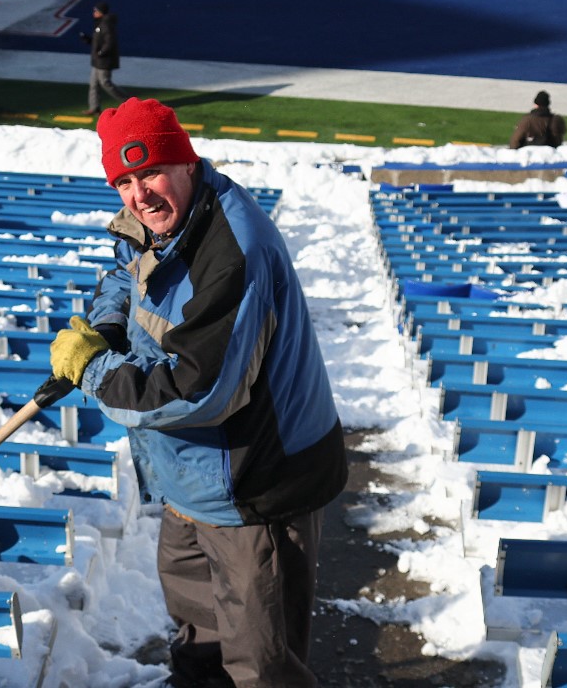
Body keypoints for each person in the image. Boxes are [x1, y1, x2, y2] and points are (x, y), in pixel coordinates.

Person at [48, 98, 346, 688]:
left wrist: (95, 371)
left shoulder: (233, 251)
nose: (139, 195)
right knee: (198, 644)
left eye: (151, 172)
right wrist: (107, 328)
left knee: (261, 666)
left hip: (254, 488)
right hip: (192, 476)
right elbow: (125, 273)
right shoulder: (169, 218)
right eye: (125, 182)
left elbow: (196, 390)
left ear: (185, 162)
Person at [80, 2, 122, 115]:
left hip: (104, 60)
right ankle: (94, 107)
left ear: (101, 12)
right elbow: (98, 41)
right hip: (98, 60)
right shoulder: (100, 24)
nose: (94, 13)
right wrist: (88, 40)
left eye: (96, 11)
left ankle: (129, 102)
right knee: (94, 83)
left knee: (105, 83)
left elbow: (109, 42)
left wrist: (101, 52)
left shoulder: (106, 24)